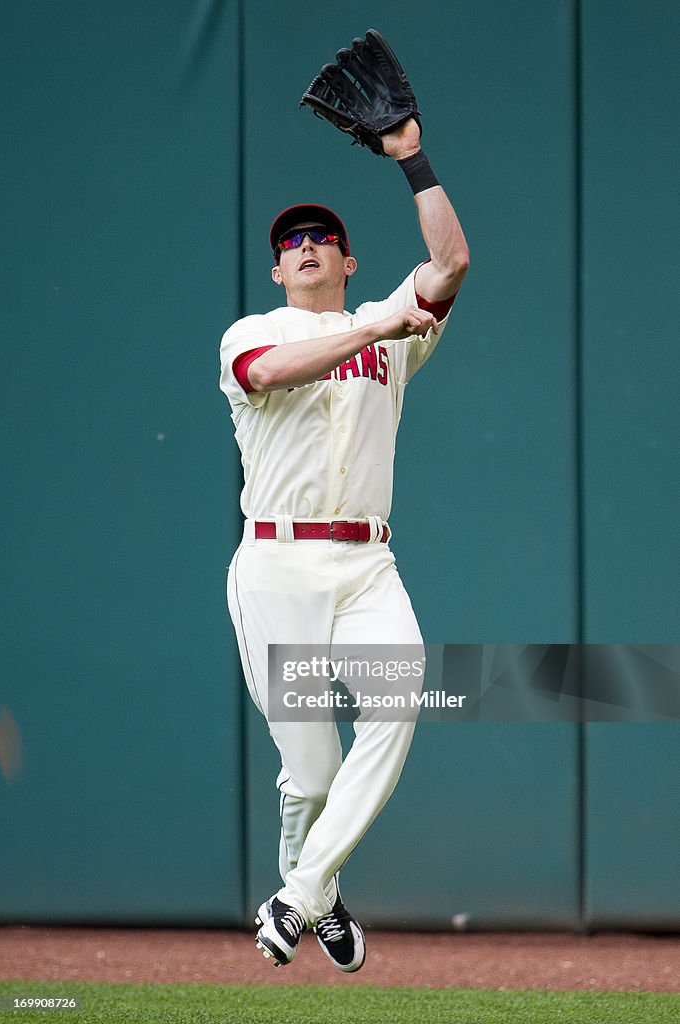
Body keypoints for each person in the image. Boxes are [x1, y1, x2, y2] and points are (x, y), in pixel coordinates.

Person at [219, 118, 469, 971]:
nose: (311, 246)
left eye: (326, 238)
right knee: (315, 776)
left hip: (366, 566)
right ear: (279, 267)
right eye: (294, 241)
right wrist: (373, 330)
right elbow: (271, 376)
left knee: (399, 702)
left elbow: (450, 264)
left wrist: (412, 158)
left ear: (350, 261)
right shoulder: (251, 333)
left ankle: (300, 893)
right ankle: (315, 885)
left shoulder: (387, 326)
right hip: (276, 565)